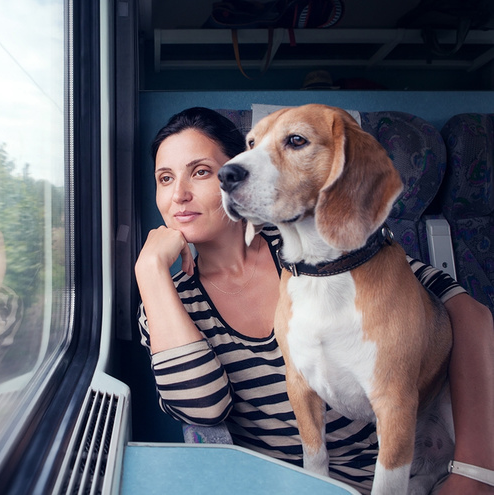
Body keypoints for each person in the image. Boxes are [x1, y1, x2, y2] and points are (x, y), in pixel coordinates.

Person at [134, 107, 494, 494]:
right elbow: (202, 409)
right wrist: (151, 271)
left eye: (202, 171)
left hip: (391, 471)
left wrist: (475, 472)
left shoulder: (319, 244)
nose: (178, 195)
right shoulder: (166, 303)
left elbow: (466, 312)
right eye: (164, 178)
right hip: (284, 484)